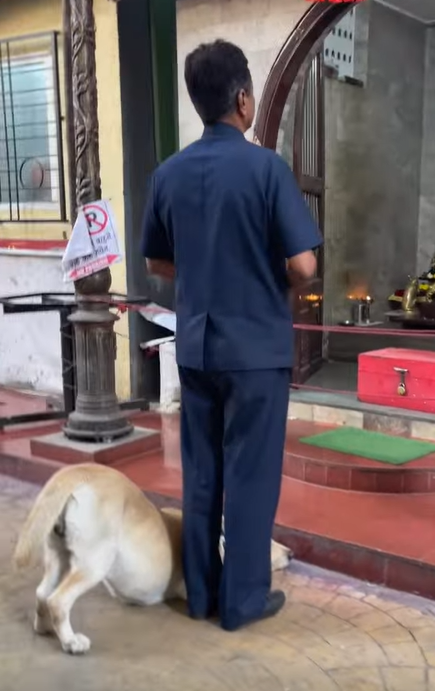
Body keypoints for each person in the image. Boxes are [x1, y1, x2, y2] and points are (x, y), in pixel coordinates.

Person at [140, 40, 322, 632]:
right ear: (243, 98)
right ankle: (242, 602)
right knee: (249, 475)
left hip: (194, 347)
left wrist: (205, 266)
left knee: (201, 473)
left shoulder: (169, 173)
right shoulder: (266, 169)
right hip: (255, 350)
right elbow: (303, 268)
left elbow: (158, 266)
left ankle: (199, 594)